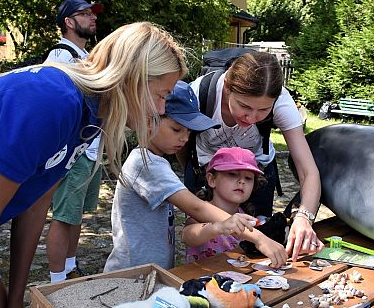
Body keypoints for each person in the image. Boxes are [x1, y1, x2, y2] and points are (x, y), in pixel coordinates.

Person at [0, 21, 186, 308]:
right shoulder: (55, 101)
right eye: (161, 95)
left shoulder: (90, 116)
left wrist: (15, 300)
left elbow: (35, 205)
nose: (161, 110)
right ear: (133, 79)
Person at [103, 82, 287, 273]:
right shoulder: (146, 163)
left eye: (189, 132)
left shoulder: (156, 161)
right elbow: (195, 207)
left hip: (149, 270)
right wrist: (260, 238)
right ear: (149, 120)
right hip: (131, 273)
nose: (184, 139)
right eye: (176, 129)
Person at [186, 52, 323, 261]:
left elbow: (308, 170)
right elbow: (180, 144)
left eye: (263, 110)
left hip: (255, 174)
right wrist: (196, 176)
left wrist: (304, 218)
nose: (251, 118)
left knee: (255, 251)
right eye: (244, 106)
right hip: (207, 172)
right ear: (227, 88)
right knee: (207, 246)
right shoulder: (198, 93)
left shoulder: (282, 102)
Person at [44, 0, 104, 283]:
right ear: (69, 22)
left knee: (76, 214)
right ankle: (57, 282)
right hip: (74, 152)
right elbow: (52, 105)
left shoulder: (83, 55)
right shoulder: (61, 56)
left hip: (90, 149)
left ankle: (70, 268)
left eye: (92, 14)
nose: (92, 18)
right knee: (64, 215)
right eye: (85, 14)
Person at [182, 147, 266, 263]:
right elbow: (187, 235)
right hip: (203, 279)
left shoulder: (243, 214)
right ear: (212, 180)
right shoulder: (201, 212)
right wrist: (219, 226)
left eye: (248, 178)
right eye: (232, 174)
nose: (242, 181)